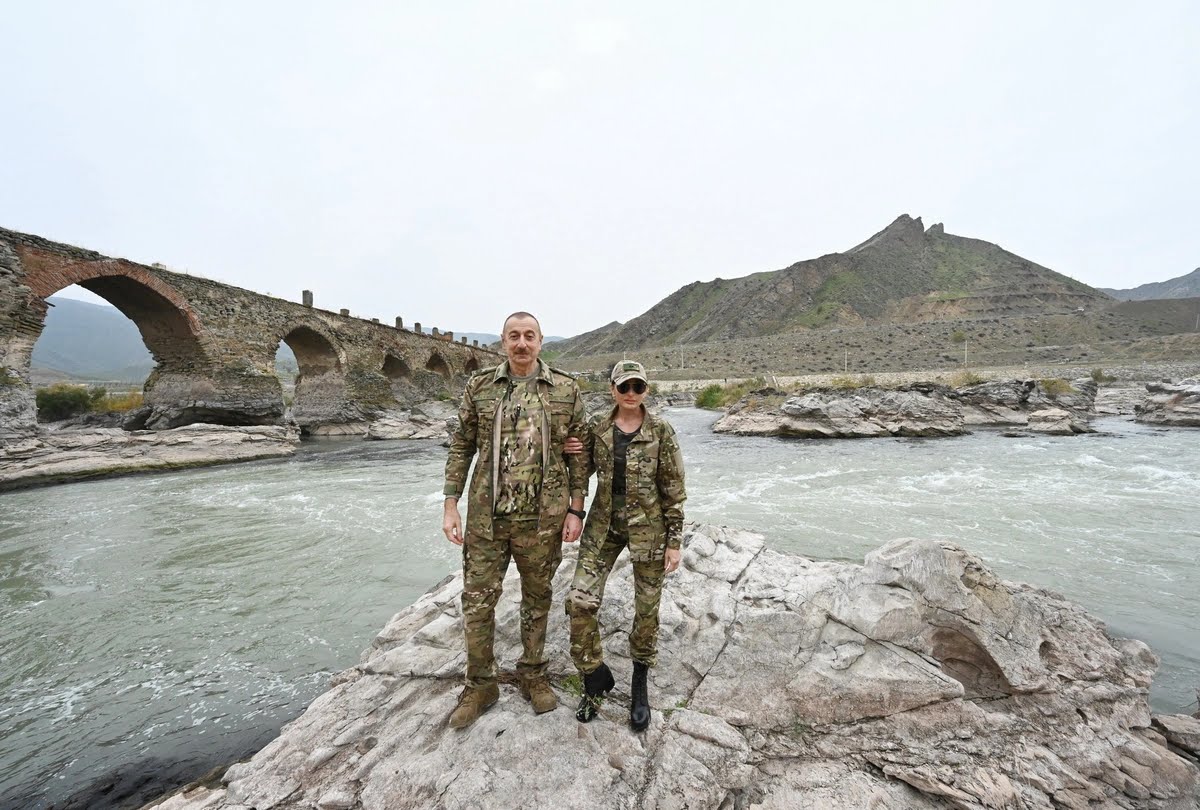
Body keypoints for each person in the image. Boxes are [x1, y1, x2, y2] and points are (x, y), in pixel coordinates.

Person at [442, 312, 588, 729]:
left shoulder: (565, 388)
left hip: (543, 519)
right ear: (503, 342)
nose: (521, 343)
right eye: (513, 336)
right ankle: (480, 684)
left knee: (537, 598)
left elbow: (579, 453)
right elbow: (460, 446)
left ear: (541, 341)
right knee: (477, 600)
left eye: (529, 336)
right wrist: (450, 503)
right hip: (487, 519)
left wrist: (577, 508)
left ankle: (533, 673)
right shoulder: (480, 386)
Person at [564, 360, 686, 731]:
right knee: (579, 601)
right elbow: (577, 473)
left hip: (649, 530)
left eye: (638, 387)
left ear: (646, 390)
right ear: (612, 390)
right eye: (624, 387)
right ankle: (594, 677)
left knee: (646, 612)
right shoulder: (596, 428)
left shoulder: (662, 430)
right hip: (603, 527)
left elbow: (674, 488)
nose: (631, 393)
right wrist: (567, 449)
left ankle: (639, 684)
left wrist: (675, 541)